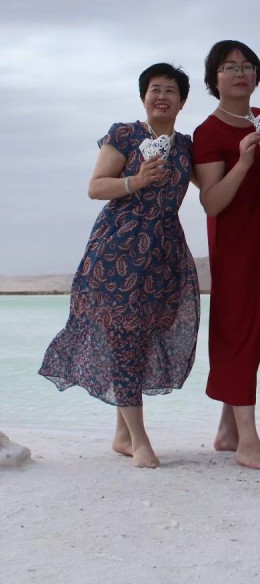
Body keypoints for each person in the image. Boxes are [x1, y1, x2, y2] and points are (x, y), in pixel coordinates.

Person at [39, 63, 200, 469]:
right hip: (118, 251)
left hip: (164, 253)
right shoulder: (124, 135)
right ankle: (140, 440)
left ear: (182, 101)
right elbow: (96, 187)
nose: (161, 96)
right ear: (143, 97)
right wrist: (136, 181)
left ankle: (122, 435)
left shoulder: (186, 147)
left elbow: (211, 185)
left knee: (141, 340)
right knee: (124, 338)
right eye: (154, 89)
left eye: (170, 90)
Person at [193, 40, 260, 471]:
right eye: (229, 67)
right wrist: (244, 162)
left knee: (256, 330)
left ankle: (228, 430)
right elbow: (211, 202)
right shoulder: (208, 132)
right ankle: (248, 442)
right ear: (214, 79)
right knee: (237, 330)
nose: (240, 73)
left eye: (247, 65)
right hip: (234, 246)